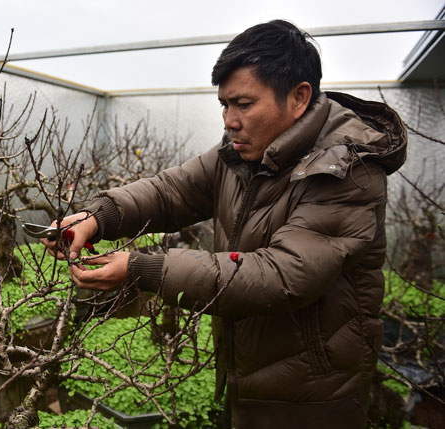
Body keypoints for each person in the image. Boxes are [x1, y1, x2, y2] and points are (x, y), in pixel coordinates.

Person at [42, 20, 407, 429]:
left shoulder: (347, 169)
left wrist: (140, 267)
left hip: (313, 399)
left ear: (299, 97)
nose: (230, 120)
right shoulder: (240, 154)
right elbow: (170, 192)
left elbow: (283, 275)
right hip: (246, 378)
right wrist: (98, 217)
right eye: (224, 105)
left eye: (244, 104)